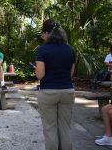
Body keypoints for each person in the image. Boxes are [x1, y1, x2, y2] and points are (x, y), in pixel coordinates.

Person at [35, 19, 75, 150]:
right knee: (65, 128)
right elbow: (70, 74)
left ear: (47, 33)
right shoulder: (70, 49)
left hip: (48, 92)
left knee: (50, 128)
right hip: (68, 91)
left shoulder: (43, 49)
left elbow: (40, 75)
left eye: (43, 33)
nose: (42, 36)